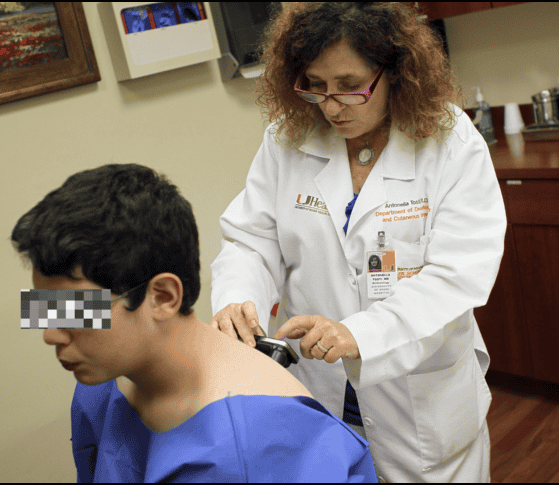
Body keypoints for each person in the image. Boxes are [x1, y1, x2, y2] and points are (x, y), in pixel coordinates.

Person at [209, 3, 506, 482]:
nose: (331, 105)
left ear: (395, 72)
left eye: (350, 86)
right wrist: (238, 300)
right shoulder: (287, 140)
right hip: (319, 391)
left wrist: (360, 334)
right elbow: (252, 239)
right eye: (315, 85)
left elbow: (457, 275)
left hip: (420, 404)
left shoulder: (451, 143)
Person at [11, 164, 377, 482]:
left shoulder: (263, 444)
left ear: (163, 297)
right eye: (45, 308)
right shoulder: (101, 382)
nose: (49, 334)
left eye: (75, 311)